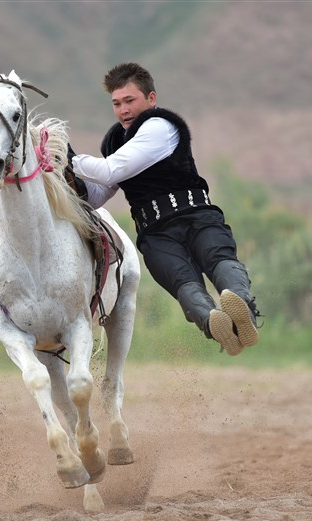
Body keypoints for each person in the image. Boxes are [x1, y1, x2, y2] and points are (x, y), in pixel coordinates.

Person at [70, 62, 260, 356]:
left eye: (130, 100)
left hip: (196, 216)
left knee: (218, 259)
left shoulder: (159, 127)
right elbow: (97, 195)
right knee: (183, 282)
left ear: (151, 98)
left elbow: (110, 170)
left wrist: (67, 157)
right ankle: (216, 324)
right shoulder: (115, 142)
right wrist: (64, 178)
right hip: (155, 233)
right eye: (117, 104)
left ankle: (241, 308)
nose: (123, 110)